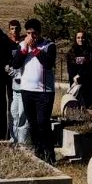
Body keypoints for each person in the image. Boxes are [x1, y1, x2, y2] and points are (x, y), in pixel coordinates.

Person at [10, 18, 56, 164]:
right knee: (32, 123)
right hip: (27, 90)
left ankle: (49, 154)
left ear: (39, 33)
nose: (31, 36)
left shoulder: (49, 45)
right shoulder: (23, 45)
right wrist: (24, 50)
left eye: (34, 33)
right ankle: (38, 151)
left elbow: (48, 64)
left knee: (43, 122)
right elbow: (15, 64)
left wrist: (35, 49)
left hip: (44, 91)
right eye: (28, 33)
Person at [65, 30, 92, 111]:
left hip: (87, 81)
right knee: (76, 102)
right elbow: (70, 68)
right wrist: (74, 77)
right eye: (78, 38)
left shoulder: (91, 50)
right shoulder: (71, 52)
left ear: (85, 38)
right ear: (75, 39)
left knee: (87, 104)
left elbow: (90, 66)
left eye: (82, 38)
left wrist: (80, 74)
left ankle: (87, 120)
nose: (80, 39)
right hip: (75, 81)